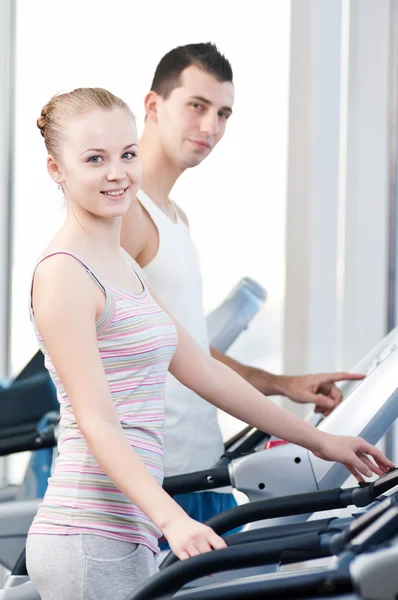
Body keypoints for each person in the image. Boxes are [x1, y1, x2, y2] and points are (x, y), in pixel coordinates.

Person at [25, 87, 393, 599]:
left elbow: (206, 372)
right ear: (55, 170)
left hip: (130, 528)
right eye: (95, 159)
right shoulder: (64, 273)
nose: (118, 173)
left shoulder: (123, 265)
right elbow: (97, 422)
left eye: (127, 154)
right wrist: (174, 521)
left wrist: (323, 440)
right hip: (87, 533)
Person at [120, 42, 367, 529]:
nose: (211, 127)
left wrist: (282, 384)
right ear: (153, 106)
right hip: (154, 482)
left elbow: (187, 346)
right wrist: (312, 438)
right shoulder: (126, 212)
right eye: (197, 106)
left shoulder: (175, 218)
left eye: (224, 113)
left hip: (197, 470)